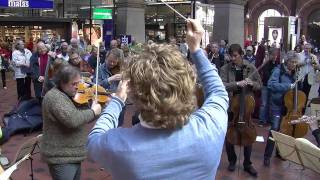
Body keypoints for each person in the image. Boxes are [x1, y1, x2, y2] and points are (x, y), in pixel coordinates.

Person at [87, 19, 228, 179]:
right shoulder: (210, 127)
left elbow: (93, 140)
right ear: (188, 87)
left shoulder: (120, 146)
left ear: (134, 94)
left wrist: (118, 101)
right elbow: (218, 92)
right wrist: (195, 49)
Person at [40, 65, 101, 180]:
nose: (78, 87)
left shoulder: (71, 95)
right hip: (61, 156)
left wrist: (96, 110)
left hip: (73, 154)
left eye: (79, 82)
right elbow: (73, 120)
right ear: (62, 83)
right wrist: (93, 112)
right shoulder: (54, 97)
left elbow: (83, 118)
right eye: (74, 84)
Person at [220, 44, 262, 177]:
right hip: (232, 106)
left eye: (235, 56)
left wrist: (251, 84)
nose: (232, 58)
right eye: (230, 56)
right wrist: (237, 84)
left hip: (246, 106)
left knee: (248, 133)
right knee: (229, 135)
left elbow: (259, 85)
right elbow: (222, 85)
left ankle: (247, 163)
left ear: (241, 55)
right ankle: (232, 160)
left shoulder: (250, 67)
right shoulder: (225, 69)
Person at [263, 51, 299, 166]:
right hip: (277, 104)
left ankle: (279, 153)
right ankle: (267, 156)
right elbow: (270, 85)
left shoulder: (294, 73)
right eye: (292, 62)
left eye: (295, 62)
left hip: (287, 106)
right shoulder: (278, 71)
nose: (294, 64)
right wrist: (287, 86)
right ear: (287, 61)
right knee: (274, 129)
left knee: (283, 130)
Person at [259, 48, 279, 126]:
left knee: (271, 103)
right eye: (273, 55)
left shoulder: (277, 63)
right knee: (264, 103)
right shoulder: (266, 63)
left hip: (273, 87)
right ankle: (262, 120)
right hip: (265, 85)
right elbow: (266, 75)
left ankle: (270, 120)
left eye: (276, 55)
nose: (275, 56)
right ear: (269, 55)